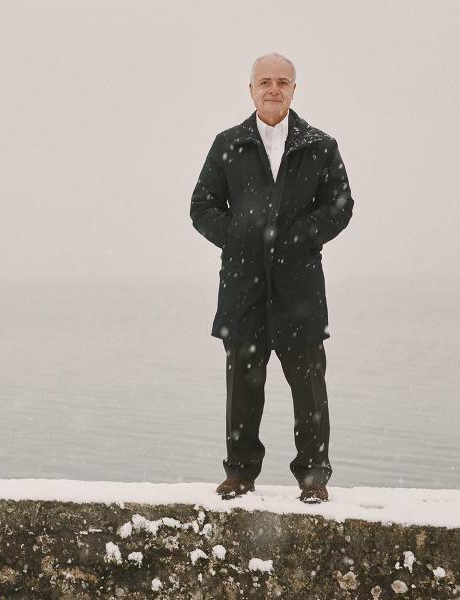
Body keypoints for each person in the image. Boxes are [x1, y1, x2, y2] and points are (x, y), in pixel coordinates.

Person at [189, 52, 354, 503]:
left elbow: (340, 205)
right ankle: (240, 473)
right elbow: (201, 207)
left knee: (309, 387)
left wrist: (302, 236)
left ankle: (314, 476)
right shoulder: (228, 144)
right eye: (265, 81)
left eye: (283, 81)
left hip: (299, 288)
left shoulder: (320, 145)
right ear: (251, 89)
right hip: (242, 288)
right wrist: (239, 237)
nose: (273, 88)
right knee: (242, 387)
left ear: (294, 89)